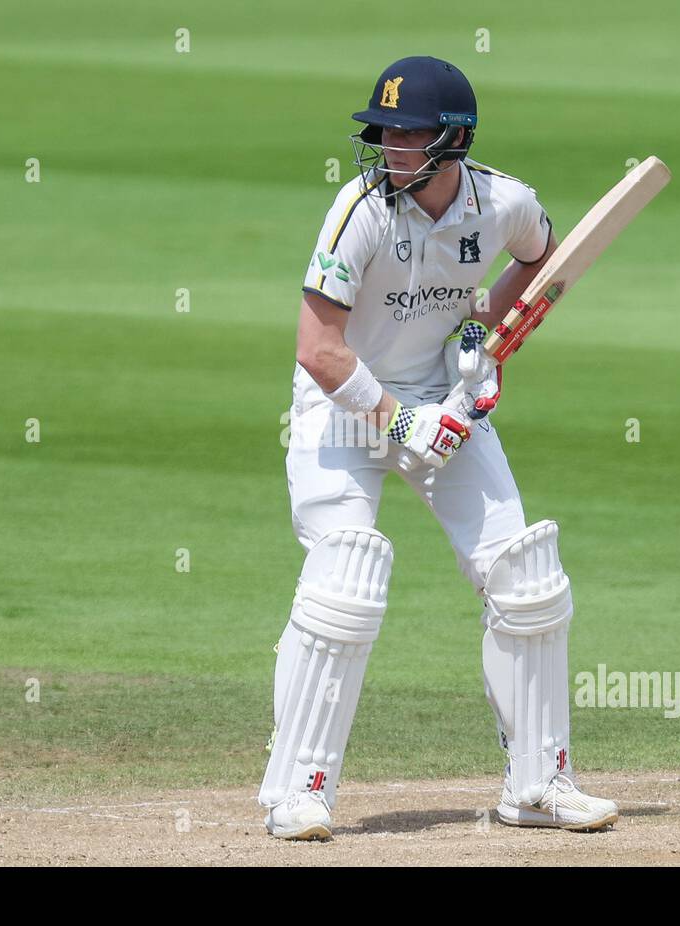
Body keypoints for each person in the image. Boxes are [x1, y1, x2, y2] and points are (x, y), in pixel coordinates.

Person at [259, 55, 619, 840]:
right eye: (382, 130)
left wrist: (478, 340)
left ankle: (538, 786)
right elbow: (318, 348)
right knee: (344, 579)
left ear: (453, 140)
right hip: (342, 407)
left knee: (526, 576)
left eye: (408, 130)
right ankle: (298, 791)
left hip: (441, 401)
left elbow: (540, 262)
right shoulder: (359, 210)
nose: (389, 144)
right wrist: (396, 420)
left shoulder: (505, 203)